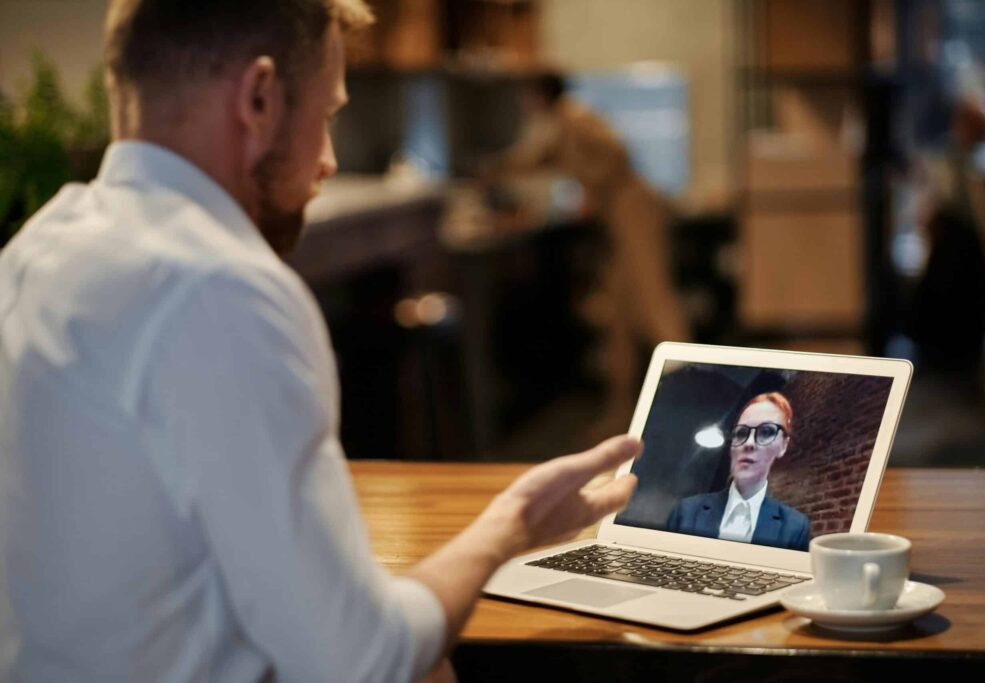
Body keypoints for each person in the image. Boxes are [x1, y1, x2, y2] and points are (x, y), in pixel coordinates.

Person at [0, 2, 642, 681]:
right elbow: (366, 659)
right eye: (329, 115)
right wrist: (511, 524)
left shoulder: (37, 248)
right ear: (258, 97)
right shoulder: (222, 288)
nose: (330, 161)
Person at [483, 72, 691, 431]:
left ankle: (695, 402)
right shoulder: (561, 124)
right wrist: (495, 170)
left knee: (654, 306)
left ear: (538, 94)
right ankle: (620, 412)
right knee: (619, 317)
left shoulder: (575, 117)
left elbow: (615, 153)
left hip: (633, 210)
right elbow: (534, 159)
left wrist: (593, 191)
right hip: (618, 217)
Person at [665, 392, 809, 552]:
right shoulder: (686, 512)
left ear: (783, 446)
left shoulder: (794, 528)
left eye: (766, 432)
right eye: (741, 432)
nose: (749, 443)